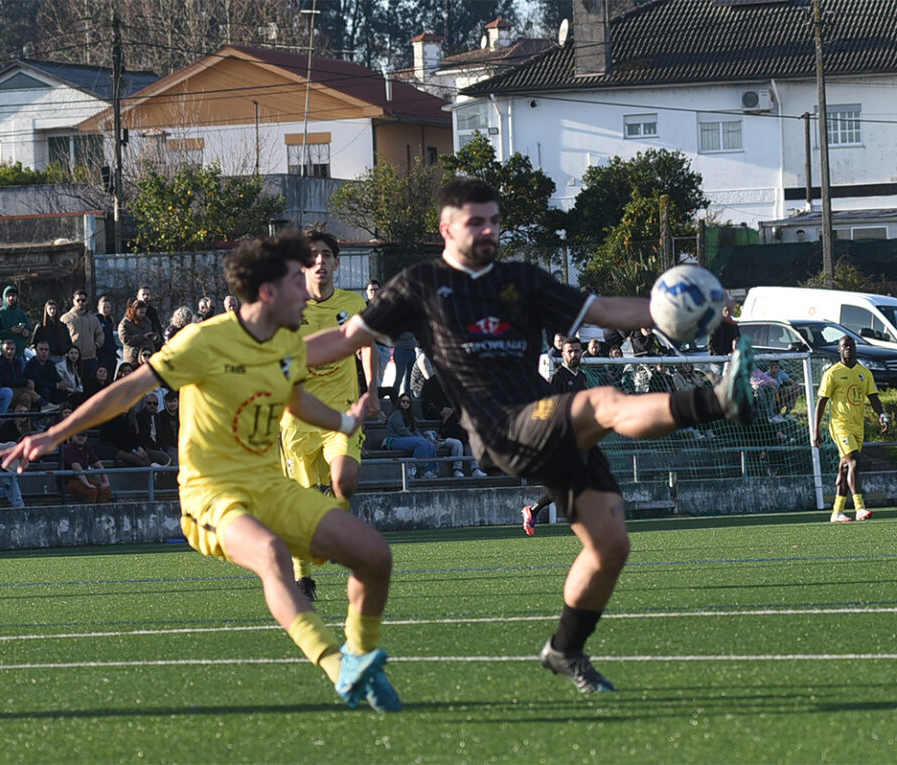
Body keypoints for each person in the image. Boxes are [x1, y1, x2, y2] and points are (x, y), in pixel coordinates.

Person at [302, 177, 755, 693]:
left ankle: (565, 648)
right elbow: (344, 338)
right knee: (601, 403)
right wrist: (269, 358)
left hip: (546, 417)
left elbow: (605, 311)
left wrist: (686, 306)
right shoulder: (420, 286)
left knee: (610, 546)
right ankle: (719, 402)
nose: (489, 230)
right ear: (446, 228)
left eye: (495, 220)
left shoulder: (522, 279)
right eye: (476, 222)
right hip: (499, 428)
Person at [0, 230, 401, 712]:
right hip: (211, 494)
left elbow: (296, 395)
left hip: (270, 487)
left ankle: (360, 654)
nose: (308, 289)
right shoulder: (204, 341)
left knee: (375, 555)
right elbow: (127, 390)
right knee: (271, 553)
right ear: (268, 292)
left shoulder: (286, 339)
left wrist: (345, 421)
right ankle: (338, 668)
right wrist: (55, 434)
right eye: (297, 280)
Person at [278, 230, 378, 603]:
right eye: (312, 255)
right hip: (297, 416)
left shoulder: (353, 303)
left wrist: (372, 390)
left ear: (337, 262)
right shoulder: (288, 305)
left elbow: (366, 345)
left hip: (341, 411)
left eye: (326, 254)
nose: (319, 260)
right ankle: (303, 577)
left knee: (344, 480)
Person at [811, 335, 889, 523]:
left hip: (858, 426)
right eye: (845, 346)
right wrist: (816, 429)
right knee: (854, 460)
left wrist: (882, 415)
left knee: (846, 468)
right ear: (839, 349)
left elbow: (873, 397)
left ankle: (837, 512)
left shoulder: (864, 373)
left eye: (851, 345)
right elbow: (822, 401)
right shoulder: (832, 373)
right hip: (840, 425)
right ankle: (859, 507)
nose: (848, 349)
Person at [419, 374, 486, 478]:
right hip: (446, 429)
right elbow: (427, 403)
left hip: (458, 426)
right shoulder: (432, 383)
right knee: (458, 443)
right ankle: (457, 469)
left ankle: (475, 469)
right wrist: (441, 411)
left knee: (469, 442)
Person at [383, 393, 440, 478]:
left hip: (407, 439)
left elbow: (415, 430)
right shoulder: (396, 415)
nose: (405, 403)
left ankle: (428, 471)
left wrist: (422, 438)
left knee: (429, 444)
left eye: (408, 402)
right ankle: (412, 466)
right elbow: (403, 431)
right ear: (399, 402)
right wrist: (419, 439)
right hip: (395, 440)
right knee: (421, 443)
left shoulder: (409, 415)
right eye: (403, 401)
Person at [60, 289, 104, 378]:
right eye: (78, 300)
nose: (80, 302)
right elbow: (60, 336)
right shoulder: (66, 318)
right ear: (73, 301)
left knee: (90, 384)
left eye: (83, 300)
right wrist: (66, 350)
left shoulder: (93, 319)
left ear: (86, 301)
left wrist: (96, 345)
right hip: (72, 359)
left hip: (90, 358)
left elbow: (100, 334)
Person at [61, 430, 112, 503]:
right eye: (78, 435)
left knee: (105, 490)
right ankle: (88, 510)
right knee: (91, 492)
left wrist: (106, 482)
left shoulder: (87, 447)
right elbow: (76, 467)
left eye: (83, 435)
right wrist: (87, 484)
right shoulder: (69, 448)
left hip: (84, 479)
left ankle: (99, 510)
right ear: (72, 436)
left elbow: (98, 464)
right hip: (70, 481)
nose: (81, 438)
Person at [0, 339, 41, 411]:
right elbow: (6, 382)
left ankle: (23, 417)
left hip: (16, 394)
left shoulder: (17, 363)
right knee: (25, 388)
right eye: (7, 349)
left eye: (12, 349)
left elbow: (20, 378)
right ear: (2, 351)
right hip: (5, 393)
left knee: (26, 397)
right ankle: (43, 404)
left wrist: (26, 382)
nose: (9, 351)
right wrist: (26, 382)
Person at [0, 285, 31, 371]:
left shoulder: (22, 314)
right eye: (9, 296)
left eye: (13, 295)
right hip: (5, 355)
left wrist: (26, 333)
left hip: (20, 354)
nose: (11, 298)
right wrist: (10, 331)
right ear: (5, 297)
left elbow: (29, 333)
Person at [24, 340, 67, 406]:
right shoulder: (31, 365)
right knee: (45, 391)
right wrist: (56, 385)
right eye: (41, 349)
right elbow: (38, 382)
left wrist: (61, 383)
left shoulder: (51, 364)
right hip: (37, 390)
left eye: (46, 350)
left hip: (50, 387)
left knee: (64, 391)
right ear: (36, 351)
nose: (44, 352)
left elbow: (56, 377)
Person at [118, 299, 160, 365]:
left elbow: (157, 334)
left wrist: (155, 337)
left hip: (148, 358)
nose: (143, 315)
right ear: (134, 311)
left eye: (144, 313)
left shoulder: (147, 321)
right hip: (134, 359)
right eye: (141, 312)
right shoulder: (125, 323)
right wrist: (142, 337)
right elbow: (125, 339)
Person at [364, 280, 391, 374]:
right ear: (367, 291)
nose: (374, 292)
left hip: (383, 346)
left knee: (380, 376)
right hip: (369, 345)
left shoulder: (386, 306)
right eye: (371, 290)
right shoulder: (363, 306)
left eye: (376, 290)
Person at [94, 295, 120, 376]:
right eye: (104, 307)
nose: (106, 310)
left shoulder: (109, 320)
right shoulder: (96, 320)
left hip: (111, 354)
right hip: (101, 354)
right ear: (99, 307)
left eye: (108, 307)